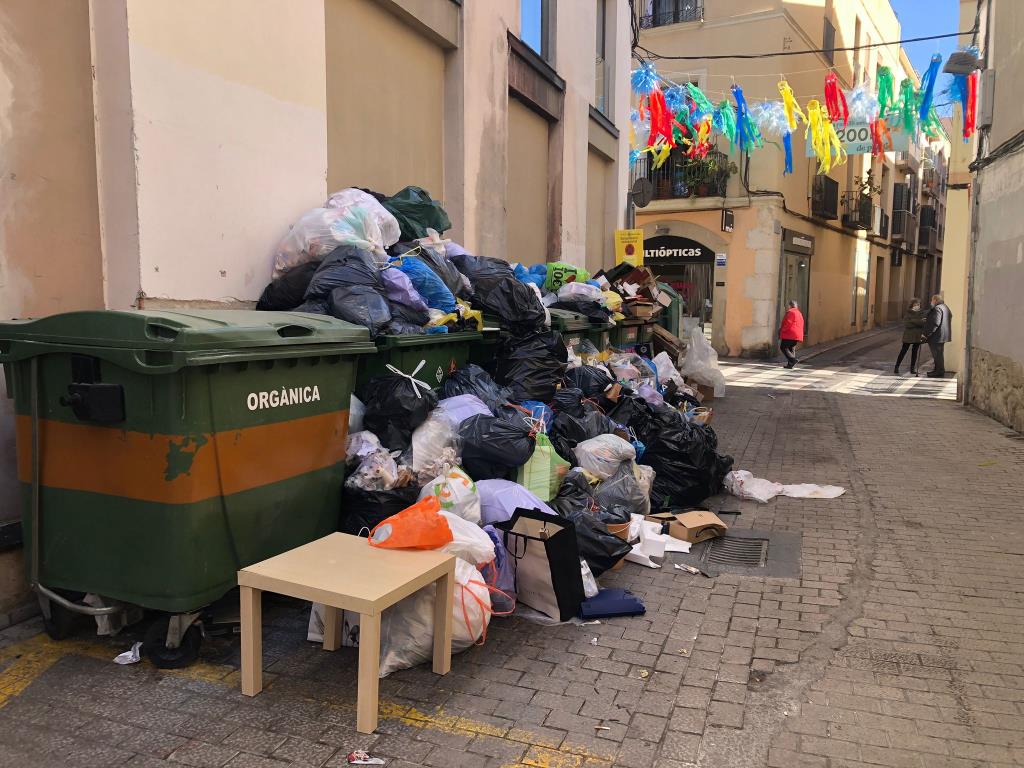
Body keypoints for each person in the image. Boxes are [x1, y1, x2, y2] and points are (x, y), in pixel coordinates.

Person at [921, 293, 952, 378]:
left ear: (935, 300)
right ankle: (937, 370)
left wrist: (926, 334)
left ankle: (939, 371)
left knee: (937, 355)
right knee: (939, 354)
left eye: (932, 300)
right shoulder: (945, 307)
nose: (931, 302)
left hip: (937, 337)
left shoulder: (937, 309)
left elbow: (935, 323)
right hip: (942, 335)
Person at [894, 298, 927, 375]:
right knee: (903, 351)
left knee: (915, 352)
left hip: (917, 335)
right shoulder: (908, 313)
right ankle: (896, 366)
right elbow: (907, 324)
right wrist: (918, 321)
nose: (917, 306)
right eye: (915, 304)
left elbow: (923, 323)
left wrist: (912, 320)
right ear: (912, 305)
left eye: (918, 304)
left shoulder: (922, 313)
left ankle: (912, 368)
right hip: (908, 335)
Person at [779, 300, 805, 369]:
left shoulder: (791, 312)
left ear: (790, 305)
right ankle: (790, 364)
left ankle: (792, 360)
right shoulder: (799, 313)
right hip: (796, 334)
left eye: (788, 305)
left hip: (790, 333)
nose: (787, 307)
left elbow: (788, 323)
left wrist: (782, 330)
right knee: (791, 348)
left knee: (783, 347)